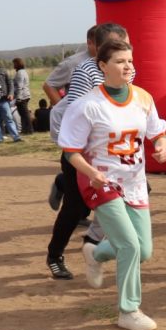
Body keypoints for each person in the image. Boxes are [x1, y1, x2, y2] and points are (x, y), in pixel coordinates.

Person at [57, 38, 166, 330]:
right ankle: (128, 311)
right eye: (120, 61)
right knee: (129, 246)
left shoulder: (143, 98)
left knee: (143, 250)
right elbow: (70, 152)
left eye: (130, 60)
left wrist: (161, 147)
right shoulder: (87, 105)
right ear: (103, 66)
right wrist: (91, 172)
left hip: (135, 181)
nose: (128, 66)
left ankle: (96, 253)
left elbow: (158, 132)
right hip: (101, 182)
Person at [47, 23, 130, 279]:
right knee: (76, 207)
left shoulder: (127, 69)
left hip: (111, 149)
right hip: (81, 149)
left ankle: (93, 242)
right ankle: (54, 255)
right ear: (100, 49)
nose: (123, 51)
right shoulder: (85, 71)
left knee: (132, 193)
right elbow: (77, 112)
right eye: (116, 45)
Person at [12, 58, 32, 135]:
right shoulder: (24, 72)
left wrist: (18, 98)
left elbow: (19, 86)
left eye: (14, 63)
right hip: (25, 95)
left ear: (17, 64)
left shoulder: (19, 73)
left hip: (22, 96)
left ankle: (29, 129)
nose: (13, 65)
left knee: (24, 114)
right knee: (24, 114)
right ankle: (25, 129)